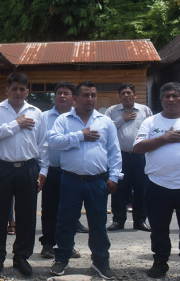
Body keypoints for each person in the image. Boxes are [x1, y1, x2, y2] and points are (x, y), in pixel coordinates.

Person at [48, 82, 121, 280]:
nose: (90, 99)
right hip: (70, 179)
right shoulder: (64, 120)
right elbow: (53, 141)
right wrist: (80, 136)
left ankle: (101, 262)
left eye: (93, 95)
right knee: (66, 221)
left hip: (97, 181)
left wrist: (114, 176)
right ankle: (62, 258)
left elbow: (114, 151)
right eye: (86, 95)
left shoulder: (105, 122)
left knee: (98, 222)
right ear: (75, 99)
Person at [0, 72, 47, 277]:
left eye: (22, 89)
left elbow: (43, 144)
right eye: (14, 89)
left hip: (28, 168)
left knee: (27, 214)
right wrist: (16, 124)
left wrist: (43, 170)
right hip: (1, 167)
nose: (18, 92)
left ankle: (21, 256)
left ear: (27, 91)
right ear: (7, 90)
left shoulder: (37, 112)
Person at [133, 82, 180, 279]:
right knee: (159, 229)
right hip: (157, 185)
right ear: (161, 101)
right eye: (167, 96)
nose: (171, 100)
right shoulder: (151, 122)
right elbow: (138, 148)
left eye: (176, 96)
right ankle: (160, 264)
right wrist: (164, 138)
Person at [40, 82, 86, 259]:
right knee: (49, 209)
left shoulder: (79, 118)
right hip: (51, 170)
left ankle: (67, 245)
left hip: (72, 172)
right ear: (54, 96)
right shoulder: (44, 117)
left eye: (67, 93)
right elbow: (41, 144)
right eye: (59, 93)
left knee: (69, 211)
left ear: (73, 98)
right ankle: (48, 245)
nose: (62, 96)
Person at [104, 83, 152, 232]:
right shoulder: (112, 111)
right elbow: (104, 128)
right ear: (120, 97)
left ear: (135, 95)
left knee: (140, 188)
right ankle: (118, 220)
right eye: (123, 93)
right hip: (120, 157)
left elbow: (152, 129)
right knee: (119, 189)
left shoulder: (145, 110)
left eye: (129, 93)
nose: (126, 95)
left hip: (140, 156)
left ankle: (140, 220)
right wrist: (121, 119)